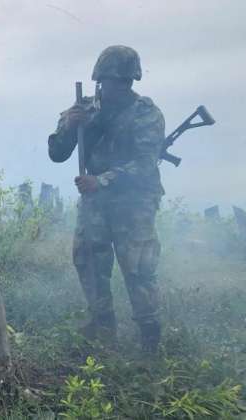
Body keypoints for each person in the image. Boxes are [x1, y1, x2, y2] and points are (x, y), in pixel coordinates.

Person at [48, 46, 165, 352]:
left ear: (131, 81)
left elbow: (144, 164)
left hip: (133, 202)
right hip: (95, 202)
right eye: (109, 80)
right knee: (88, 260)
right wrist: (70, 127)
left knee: (138, 267)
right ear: (99, 80)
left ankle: (149, 341)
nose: (114, 87)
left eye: (122, 81)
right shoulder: (83, 109)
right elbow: (57, 154)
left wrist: (100, 180)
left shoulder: (146, 113)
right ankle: (103, 328)